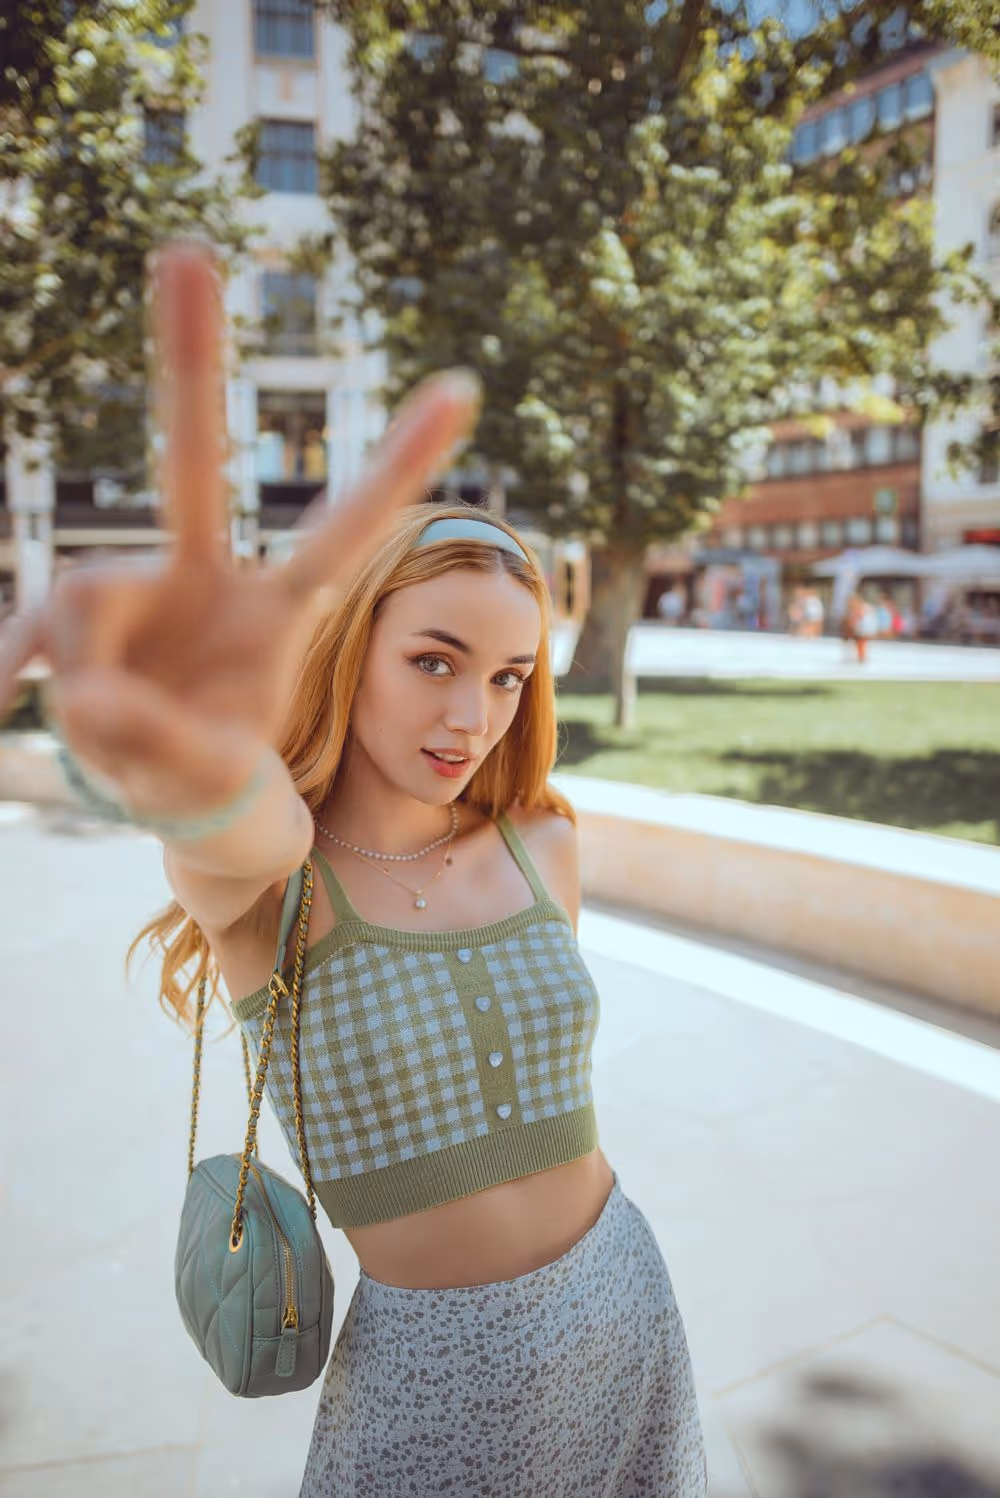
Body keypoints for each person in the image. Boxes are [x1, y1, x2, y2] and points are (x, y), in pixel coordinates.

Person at [0, 244, 708, 1497]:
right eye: (433, 659)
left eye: (506, 677)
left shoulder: (545, 845)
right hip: (429, 1382)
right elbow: (226, 811)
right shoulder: (275, 882)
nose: (471, 715)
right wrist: (184, 735)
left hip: (628, 1309)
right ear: (352, 648)